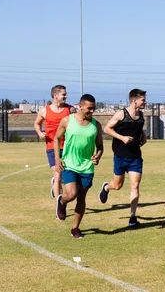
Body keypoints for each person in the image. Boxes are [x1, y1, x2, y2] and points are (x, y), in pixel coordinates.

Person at [54, 94, 103, 239]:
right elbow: (56, 138)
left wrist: (98, 155)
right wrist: (58, 158)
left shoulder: (96, 125)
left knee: (81, 197)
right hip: (69, 164)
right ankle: (62, 201)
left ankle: (75, 228)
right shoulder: (67, 121)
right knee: (72, 194)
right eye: (89, 108)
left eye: (93, 109)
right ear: (80, 106)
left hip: (87, 167)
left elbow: (100, 145)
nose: (92, 111)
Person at [98, 89, 147, 227]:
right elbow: (107, 129)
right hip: (120, 155)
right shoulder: (121, 114)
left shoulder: (141, 115)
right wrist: (122, 138)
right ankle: (106, 187)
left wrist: (142, 136)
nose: (145, 102)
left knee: (135, 185)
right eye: (143, 100)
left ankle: (132, 217)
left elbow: (139, 128)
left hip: (135, 156)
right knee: (117, 185)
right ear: (134, 100)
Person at [33, 85, 75, 199]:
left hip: (67, 148)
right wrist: (40, 133)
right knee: (58, 176)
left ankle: (57, 189)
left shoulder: (70, 110)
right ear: (55, 96)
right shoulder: (44, 111)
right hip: (52, 147)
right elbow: (37, 123)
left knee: (63, 176)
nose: (66, 96)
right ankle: (59, 206)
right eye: (63, 94)